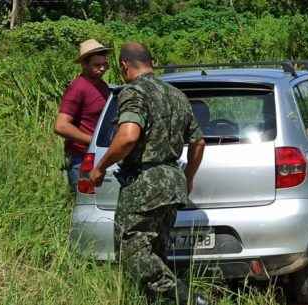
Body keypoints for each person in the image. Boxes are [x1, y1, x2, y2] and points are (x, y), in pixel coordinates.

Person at [88, 42, 208, 305]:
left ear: (124, 65)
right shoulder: (176, 94)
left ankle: (188, 298)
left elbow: (128, 137)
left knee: (131, 252)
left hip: (144, 183)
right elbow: (199, 142)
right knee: (156, 251)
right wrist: (187, 177)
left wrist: (100, 166)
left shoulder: (133, 92)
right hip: (172, 183)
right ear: (151, 62)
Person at [54, 39, 111, 192]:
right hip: (82, 157)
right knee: (86, 205)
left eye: (104, 64)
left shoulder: (101, 85)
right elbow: (61, 126)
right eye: (96, 65)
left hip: (99, 154)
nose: (102, 69)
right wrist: (92, 141)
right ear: (84, 65)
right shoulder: (78, 88)